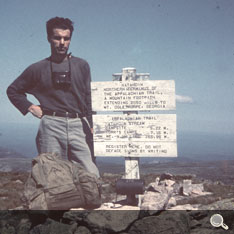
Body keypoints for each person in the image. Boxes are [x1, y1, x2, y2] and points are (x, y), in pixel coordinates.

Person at [7, 17, 99, 177]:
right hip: (51, 125)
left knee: (90, 173)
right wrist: (30, 107)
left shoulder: (82, 65)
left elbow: (88, 97)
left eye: (66, 38)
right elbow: (13, 90)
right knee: (52, 175)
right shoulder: (37, 68)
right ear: (49, 38)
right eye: (57, 38)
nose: (62, 42)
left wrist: (92, 124)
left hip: (78, 123)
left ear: (70, 39)